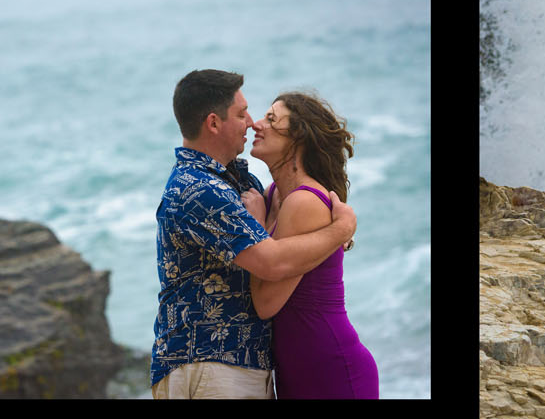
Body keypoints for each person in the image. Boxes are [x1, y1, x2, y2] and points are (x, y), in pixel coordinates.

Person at [154, 70, 356, 399]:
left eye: (263, 116)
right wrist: (342, 229)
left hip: (247, 366)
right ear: (214, 123)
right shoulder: (198, 188)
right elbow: (270, 263)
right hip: (211, 364)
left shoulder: (245, 185)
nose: (251, 122)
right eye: (241, 113)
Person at [245, 91, 379, 398]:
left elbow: (266, 304)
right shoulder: (272, 194)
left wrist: (254, 227)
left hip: (331, 366)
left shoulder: (304, 201)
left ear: (298, 137)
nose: (256, 124)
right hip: (296, 368)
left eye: (271, 119)